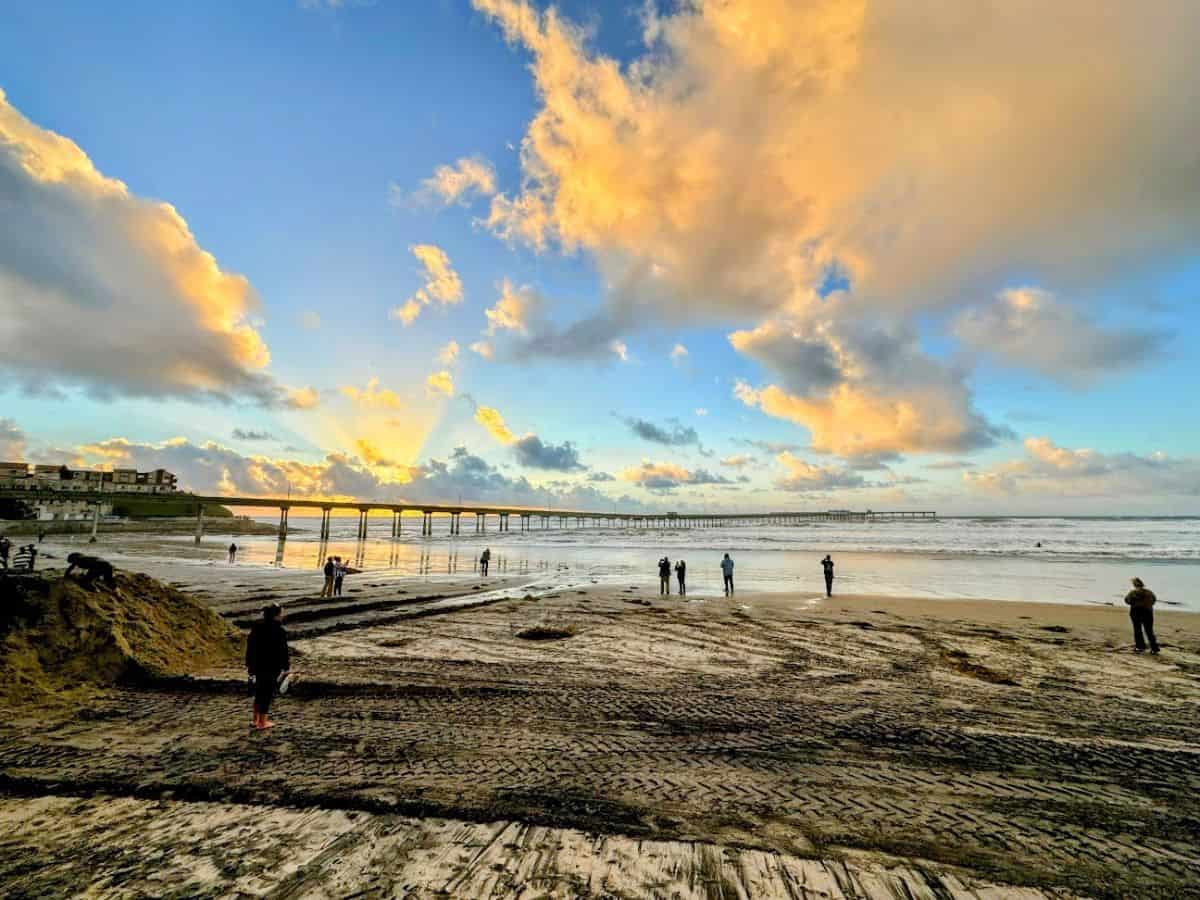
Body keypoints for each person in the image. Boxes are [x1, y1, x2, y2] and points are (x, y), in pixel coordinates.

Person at [246, 603, 290, 730]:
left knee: (259, 691)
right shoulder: (279, 631)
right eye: (281, 613)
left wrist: (249, 664)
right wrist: (286, 667)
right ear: (276, 615)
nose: (283, 615)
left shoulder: (257, 628)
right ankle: (262, 722)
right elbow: (283, 650)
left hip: (257, 664)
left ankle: (255, 720)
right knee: (266, 693)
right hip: (271, 666)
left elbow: (250, 647)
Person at [1124, 577, 1160, 655]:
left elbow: (1127, 601)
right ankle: (1154, 648)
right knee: (1149, 631)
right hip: (1148, 612)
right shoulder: (1149, 592)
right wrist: (1147, 605)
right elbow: (1154, 600)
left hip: (1136, 612)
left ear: (1134, 584)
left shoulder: (1133, 593)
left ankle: (1140, 647)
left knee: (1137, 630)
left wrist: (1135, 603)